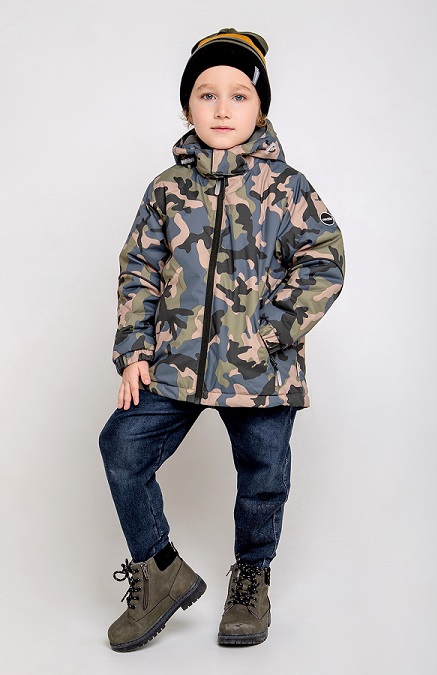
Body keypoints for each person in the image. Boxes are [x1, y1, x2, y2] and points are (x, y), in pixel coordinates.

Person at [98, 27, 345, 652]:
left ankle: (251, 579)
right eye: (207, 94)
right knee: (121, 448)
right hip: (174, 362)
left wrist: (271, 333)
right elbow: (139, 269)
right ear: (188, 108)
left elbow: (323, 262)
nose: (222, 108)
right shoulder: (166, 189)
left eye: (239, 95)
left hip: (260, 369)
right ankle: (159, 570)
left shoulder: (287, 188)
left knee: (263, 475)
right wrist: (135, 352)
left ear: (260, 108)